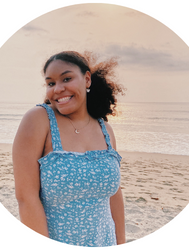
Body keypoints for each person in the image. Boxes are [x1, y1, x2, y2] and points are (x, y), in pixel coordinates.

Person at [12, 51, 125, 247]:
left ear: (87, 79)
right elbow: (26, 197)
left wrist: (121, 242)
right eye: (51, 83)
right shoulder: (39, 120)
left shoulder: (105, 130)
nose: (58, 89)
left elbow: (114, 196)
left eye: (66, 78)